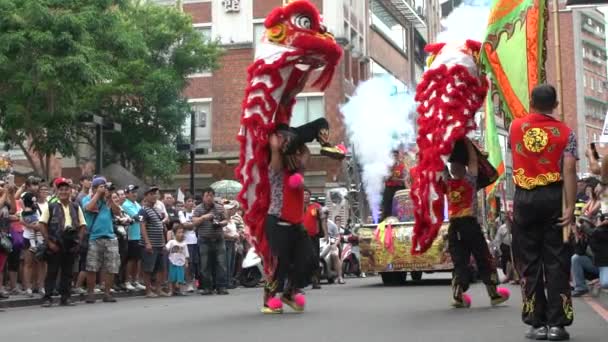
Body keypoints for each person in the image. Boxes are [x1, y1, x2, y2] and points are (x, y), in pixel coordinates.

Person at [509, 84, 577, 341]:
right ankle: (558, 325)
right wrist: (570, 206)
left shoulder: (516, 128)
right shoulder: (566, 132)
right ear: (556, 104)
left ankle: (537, 323)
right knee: (556, 261)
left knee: (529, 262)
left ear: (531, 102)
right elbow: (569, 168)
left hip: (524, 198)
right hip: (554, 197)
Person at [444, 137, 508, 309]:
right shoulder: (469, 181)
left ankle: (458, 296)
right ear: (463, 168)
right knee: (483, 257)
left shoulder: (447, 184)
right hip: (469, 226)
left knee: (460, 261)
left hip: (454, 227)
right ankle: (493, 294)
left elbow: (437, 166)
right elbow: (473, 160)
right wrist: (467, 142)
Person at [261, 133, 313, 314]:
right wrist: (276, 147)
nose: (298, 156)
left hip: (296, 224)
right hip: (277, 222)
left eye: (298, 153)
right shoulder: (276, 169)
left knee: (307, 258)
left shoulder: (299, 169)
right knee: (280, 264)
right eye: (294, 153)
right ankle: (269, 298)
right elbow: (276, 158)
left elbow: (306, 154)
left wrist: (301, 141)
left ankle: (290, 292)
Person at [38, 178, 87, 307]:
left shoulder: (76, 206)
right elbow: (42, 224)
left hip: (71, 243)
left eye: (66, 189)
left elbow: (82, 225)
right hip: (55, 242)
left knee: (68, 272)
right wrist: (49, 242)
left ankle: (66, 297)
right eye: (61, 189)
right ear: (57, 191)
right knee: (52, 271)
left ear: (70, 191)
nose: (64, 192)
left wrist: (79, 242)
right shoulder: (51, 206)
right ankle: (47, 297)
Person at [82, 176, 122, 304]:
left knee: (111, 267)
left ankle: (107, 293)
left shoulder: (107, 201)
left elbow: (118, 213)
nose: (104, 189)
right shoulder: (87, 198)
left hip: (110, 237)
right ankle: (91, 293)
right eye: (101, 187)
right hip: (94, 237)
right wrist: (98, 194)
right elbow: (88, 208)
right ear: (94, 188)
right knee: (92, 267)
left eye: (105, 187)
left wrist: (109, 198)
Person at [192, 188, 228, 295]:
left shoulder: (220, 208)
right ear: (203, 197)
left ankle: (221, 287)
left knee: (221, 263)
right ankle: (207, 287)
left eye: (211, 195)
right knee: (205, 265)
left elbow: (226, 220)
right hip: (204, 240)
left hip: (218, 239)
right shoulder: (198, 208)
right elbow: (194, 221)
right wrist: (204, 217)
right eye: (207, 195)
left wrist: (220, 224)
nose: (209, 198)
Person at [139, 186, 169, 298]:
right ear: (146, 196)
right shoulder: (143, 210)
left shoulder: (157, 210)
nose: (154, 196)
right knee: (148, 268)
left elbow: (160, 226)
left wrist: (163, 243)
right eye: (151, 194)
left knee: (160, 268)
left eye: (156, 194)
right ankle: (148, 291)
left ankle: (158, 289)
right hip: (150, 244)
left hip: (159, 244)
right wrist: (147, 242)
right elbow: (142, 226)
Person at [121, 185, 145, 291]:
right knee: (130, 260)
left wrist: (142, 217)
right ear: (127, 194)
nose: (135, 194)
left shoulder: (136, 204)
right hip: (131, 236)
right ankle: (127, 281)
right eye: (132, 192)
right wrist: (141, 217)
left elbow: (142, 216)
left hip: (138, 235)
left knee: (137, 259)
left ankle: (135, 281)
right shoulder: (126, 204)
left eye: (135, 192)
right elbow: (138, 217)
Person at [302, 188, 325, 289]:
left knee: (315, 258)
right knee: (303, 259)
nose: (305, 196)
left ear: (310, 196)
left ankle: (316, 280)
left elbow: (323, 219)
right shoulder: (297, 207)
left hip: (313, 237)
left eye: (307, 194)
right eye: (303, 194)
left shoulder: (316, 206)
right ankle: (303, 281)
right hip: (301, 237)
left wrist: (326, 234)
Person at [178, 195, 198, 292]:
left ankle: (196, 282)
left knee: (196, 263)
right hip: (187, 242)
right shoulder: (182, 213)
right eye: (189, 201)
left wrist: (192, 225)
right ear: (185, 203)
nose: (191, 203)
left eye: (192, 201)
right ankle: (188, 283)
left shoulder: (196, 212)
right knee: (188, 264)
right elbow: (184, 225)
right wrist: (194, 225)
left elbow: (197, 225)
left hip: (196, 241)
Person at [382, 150, 406, 221]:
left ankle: (401, 219)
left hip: (399, 188)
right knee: (387, 206)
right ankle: (386, 220)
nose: (394, 157)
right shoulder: (387, 167)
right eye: (393, 156)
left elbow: (405, 179)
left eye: (396, 156)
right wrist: (391, 171)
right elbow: (384, 179)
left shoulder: (402, 166)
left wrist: (398, 180)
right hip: (389, 188)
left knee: (400, 206)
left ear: (398, 157)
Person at [165, 223, 189, 296]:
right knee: (172, 277)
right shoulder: (172, 242)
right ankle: (171, 291)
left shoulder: (184, 244)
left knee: (181, 277)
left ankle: (181, 290)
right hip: (172, 262)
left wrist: (186, 262)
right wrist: (165, 249)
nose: (181, 234)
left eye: (182, 232)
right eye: (179, 232)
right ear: (174, 234)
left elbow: (186, 254)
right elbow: (166, 248)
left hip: (181, 263)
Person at [324, 211, 345, 284]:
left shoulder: (332, 225)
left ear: (327, 215)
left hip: (331, 245)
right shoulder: (317, 223)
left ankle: (340, 277)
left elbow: (338, 237)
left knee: (334, 255)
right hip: (320, 245)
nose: (323, 216)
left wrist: (335, 245)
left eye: (325, 214)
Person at [223, 201, 240, 289]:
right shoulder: (224, 221)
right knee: (227, 262)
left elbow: (235, 231)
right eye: (231, 209)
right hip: (226, 242)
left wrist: (237, 235)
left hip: (233, 243)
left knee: (232, 262)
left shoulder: (232, 220)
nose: (233, 210)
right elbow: (223, 233)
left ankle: (230, 280)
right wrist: (232, 237)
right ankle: (226, 282)